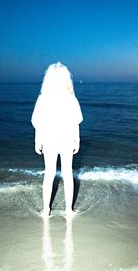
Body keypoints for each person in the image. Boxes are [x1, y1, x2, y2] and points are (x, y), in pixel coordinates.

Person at [31, 62, 83, 217]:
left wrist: (37, 141)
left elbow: (37, 123)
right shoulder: (70, 98)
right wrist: (77, 140)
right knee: (67, 173)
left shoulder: (43, 98)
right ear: (67, 79)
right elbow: (76, 122)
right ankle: (68, 210)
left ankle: (46, 210)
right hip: (66, 138)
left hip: (48, 139)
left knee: (49, 173)